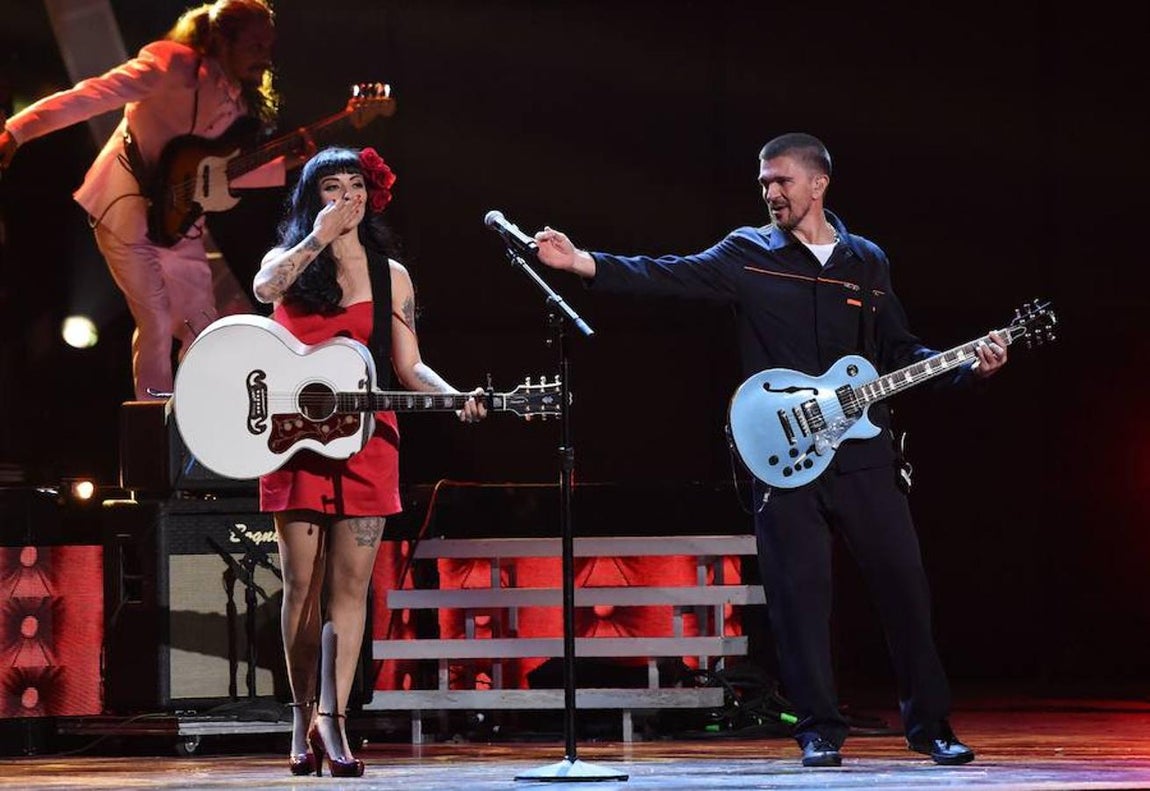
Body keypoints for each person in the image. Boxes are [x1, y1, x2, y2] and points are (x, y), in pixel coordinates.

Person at [533, 132, 1008, 768]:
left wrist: (966, 367)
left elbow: (898, 351)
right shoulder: (746, 253)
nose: (770, 193)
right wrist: (583, 263)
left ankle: (932, 728)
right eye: (763, 183)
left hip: (864, 455)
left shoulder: (866, 261)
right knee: (798, 596)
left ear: (818, 184)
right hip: (782, 458)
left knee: (904, 589)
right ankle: (818, 729)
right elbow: (666, 274)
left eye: (781, 180)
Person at [252, 145, 487, 777]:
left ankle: (335, 722)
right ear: (313, 198)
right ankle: (300, 719)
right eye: (333, 186)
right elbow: (262, 289)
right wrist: (317, 238)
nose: (348, 197)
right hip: (295, 439)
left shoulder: (392, 275)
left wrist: (452, 395)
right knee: (301, 587)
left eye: (356, 186)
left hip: (366, 439)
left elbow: (408, 367)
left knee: (351, 589)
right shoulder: (289, 262)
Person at [0, 0, 292, 401]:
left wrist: (287, 164)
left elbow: (216, 174)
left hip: (179, 222)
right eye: (255, 45)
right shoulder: (170, 64)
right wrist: (18, 130)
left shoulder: (239, 102)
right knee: (155, 320)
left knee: (202, 327)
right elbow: (92, 95)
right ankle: (152, 423)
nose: (265, 56)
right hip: (125, 207)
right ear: (222, 40)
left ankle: (192, 419)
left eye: (268, 46)